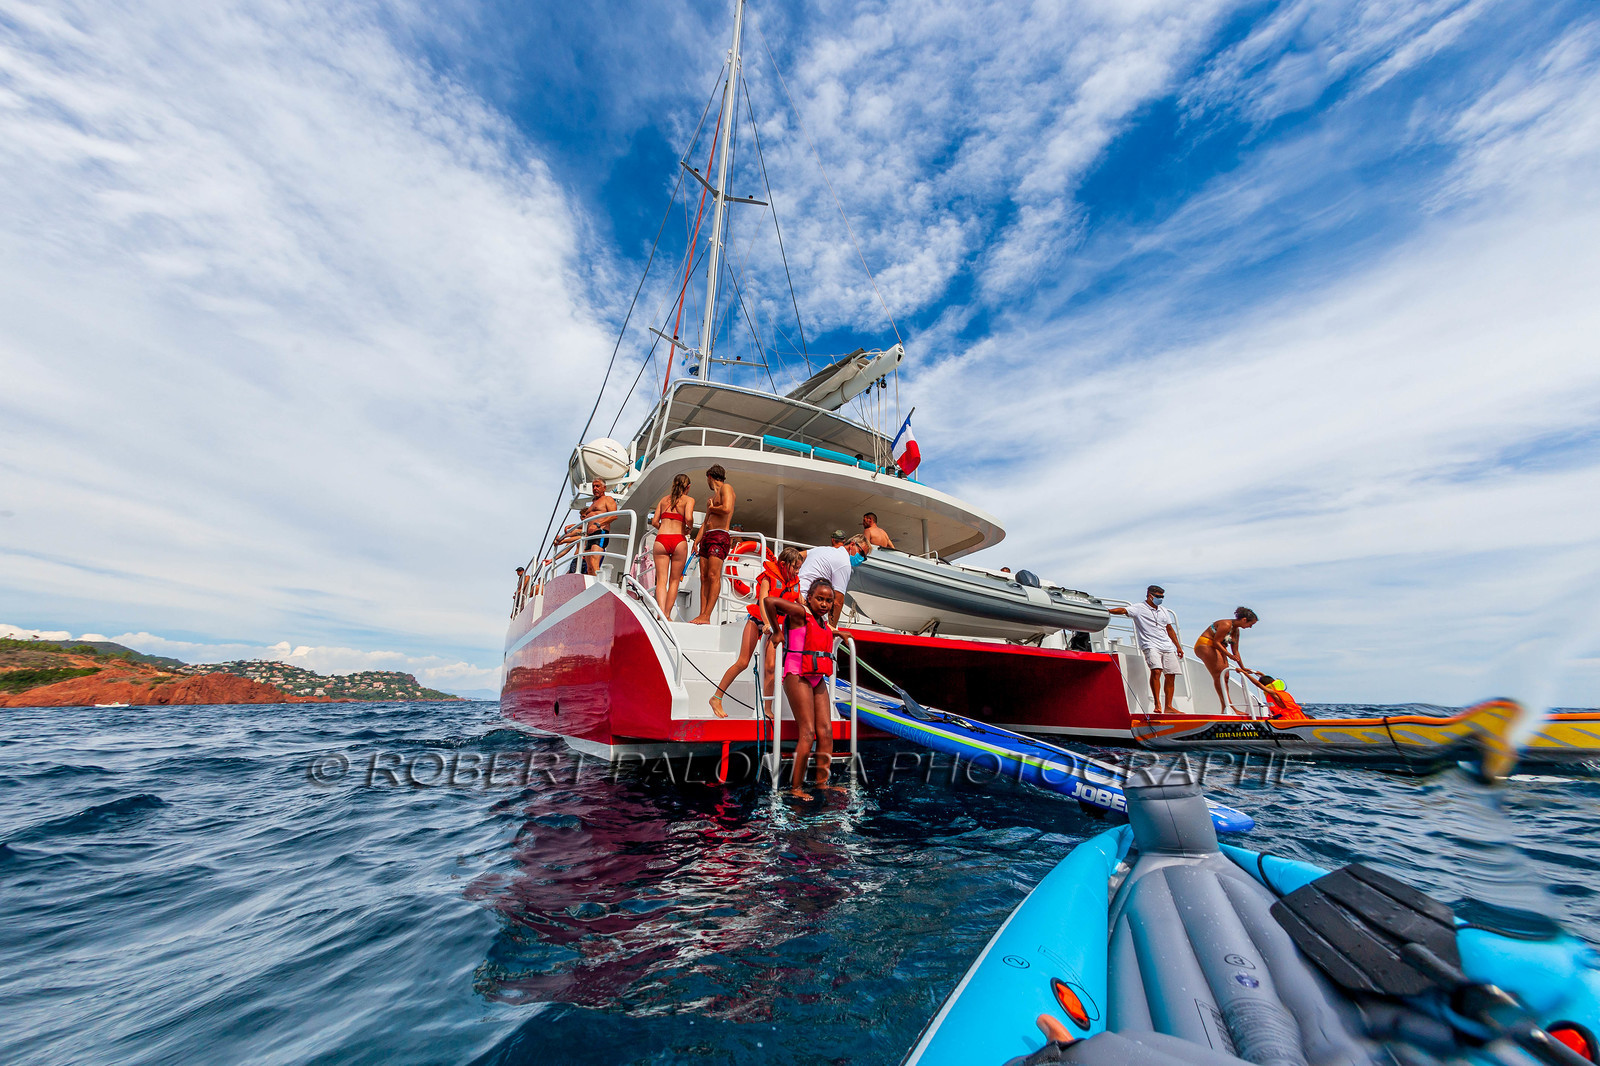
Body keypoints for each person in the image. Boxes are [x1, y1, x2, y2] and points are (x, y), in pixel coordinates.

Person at [708, 547, 801, 718]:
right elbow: (764, 602)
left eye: (798, 568)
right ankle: (716, 698)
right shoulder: (768, 577)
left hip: (776, 627)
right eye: (794, 567)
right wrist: (766, 623)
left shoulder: (795, 582)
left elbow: (802, 606)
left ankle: (767, 707)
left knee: (771, 667)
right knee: (743, 662)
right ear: (782, 564)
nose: (796, 571)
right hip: (759, 621)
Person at [766, 578, 838, 791]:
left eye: (828, 600)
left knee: (825, 731)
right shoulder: (800, 612)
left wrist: (839, 633)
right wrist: (776, 631)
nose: (824, 604)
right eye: (820, 599)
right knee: (807, 732)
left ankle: (822, 784)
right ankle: (796, 787)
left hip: (816, 676)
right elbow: (770, 602)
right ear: (809, 598)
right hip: (796, 674)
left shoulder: (823, 622)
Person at [1108, 585, 1183, 714]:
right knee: (1157, 671)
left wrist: (1178, 646)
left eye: (1162, 597)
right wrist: (1108, 611)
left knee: (1171, 675)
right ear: (1150, 596)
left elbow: (1169, 629)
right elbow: (1123, 610)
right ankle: (1157, 703)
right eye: (1159, 597)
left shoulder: (1164, 611)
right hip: (1150, 644)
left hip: (1167, 646)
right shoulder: (1139, 608)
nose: (1161, 599)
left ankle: (1169, 706)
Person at [689, 465, 735, 624]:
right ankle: (702, 614)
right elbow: (706, 521)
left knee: (713, 575)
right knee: (703, 577)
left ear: (709, 476)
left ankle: (707, 615)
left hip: (720, 535)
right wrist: (696, 541)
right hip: (707, 537)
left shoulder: (726, 488)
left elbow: (727, 508)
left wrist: (712, 507)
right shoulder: (712, 498)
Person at [796, 532, 870, 626]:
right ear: (852, 544)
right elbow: (837, 602)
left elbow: (797, 556)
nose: (861, 559)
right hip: (806, 605)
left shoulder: (822, 549)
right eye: (861, 553)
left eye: (864, 558)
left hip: (796, 596)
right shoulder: (844, 563)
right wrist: (832, 629)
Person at [1193, 607, 1259, 711]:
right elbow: (1216, 642)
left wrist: (1243, 667)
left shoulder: (1236, 631)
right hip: (1206, 645)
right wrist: (1229, 655)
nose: (1250, 627)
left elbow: (1236, 651)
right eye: (1250, 624)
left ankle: (1226, 707)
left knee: (1226, 676)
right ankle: (1229, 707)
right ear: (1244, 620)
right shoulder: (1226, 624)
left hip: (1218, 648)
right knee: (1220, 675)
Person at [650, 473, 695, 616]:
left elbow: (654, 522)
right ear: (688, 487)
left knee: (661, 581)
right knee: (674, 581)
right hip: (678, 540)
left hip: (661, 539)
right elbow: (688, 518)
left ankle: (660, 612)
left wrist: (663, 530)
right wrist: (689, 528)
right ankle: (667, 615)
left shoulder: (664, 500)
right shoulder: (689, 500)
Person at [578, 478, 619, 576]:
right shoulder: (593, 503)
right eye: (593, 486)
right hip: (589, 536)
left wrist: (598, 525)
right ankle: (593, 588)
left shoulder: (607, 499)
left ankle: (598, 584)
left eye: (597, 486)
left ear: (604, 488)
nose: (595, 488)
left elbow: (614, 515)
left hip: (600, 533)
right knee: (589, 568)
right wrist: (570, 528)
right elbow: (587, 520)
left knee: (594, 562)